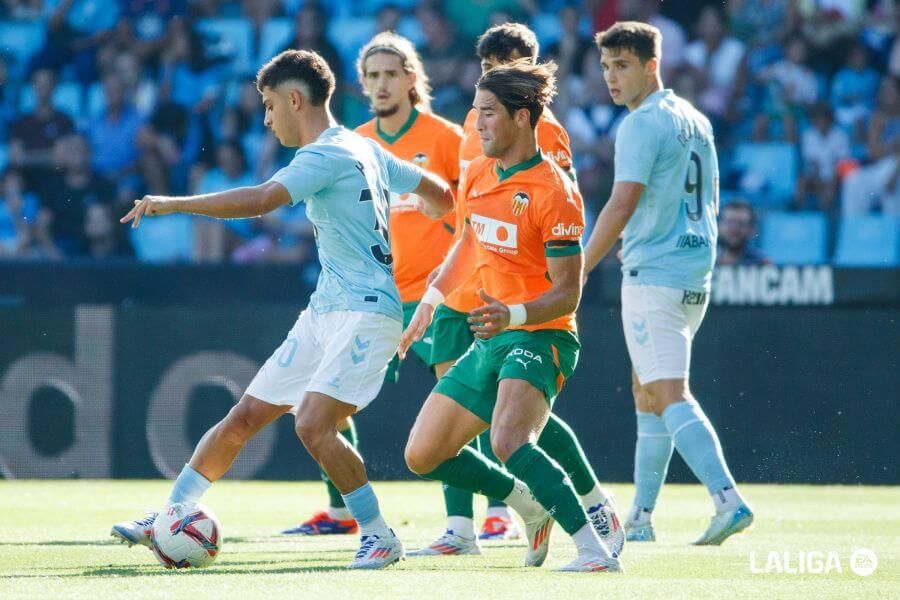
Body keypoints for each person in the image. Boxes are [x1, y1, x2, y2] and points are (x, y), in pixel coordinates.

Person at [109, 49, 454, 570]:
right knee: (245, 415)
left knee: (313, 425)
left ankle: (380, 535)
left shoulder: (323, 155)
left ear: (295, 99)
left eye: (269, 107)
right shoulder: (362, 146)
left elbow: (259, 201)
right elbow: (441, 193)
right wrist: (427, 209)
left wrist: (174, 203)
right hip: (328, 309)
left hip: (366, 313)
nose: (267, 120)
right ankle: (171, 513)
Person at [400, 60, 622, 573]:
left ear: (523, 118)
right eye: (475, 113)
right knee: (421, 455)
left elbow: (568, 292)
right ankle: (529, 504)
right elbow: (467, 242)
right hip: (492, 336)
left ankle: (595, 550)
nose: (476, 125)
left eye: (488, 114)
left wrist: (514, 314)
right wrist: (430, 302)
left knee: (507, 441)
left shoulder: (556, 193)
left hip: (542, 335)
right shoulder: (478, 171)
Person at [283, 32, 463, 537]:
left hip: (435, 296)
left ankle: (477, 521)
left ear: (411, 78)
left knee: (458, 402)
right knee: (319, 402)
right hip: (370, 297)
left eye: (391, 74)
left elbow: (471, 214)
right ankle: (343, 513)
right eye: (372, 76)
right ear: (361, 84)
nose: (382, 84)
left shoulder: (446, 138)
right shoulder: (352, 142)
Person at [584, 22, 753, 546]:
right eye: (607, 66)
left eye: (623, 65)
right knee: (646, 391)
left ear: (651, 64)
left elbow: (622, 200)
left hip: (653, 275)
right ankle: (640, 517)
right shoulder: (694, 119)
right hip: (693, 272)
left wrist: (580, 268)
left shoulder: (639, 124)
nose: (612, 77)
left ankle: (728, 499)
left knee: (666, 390)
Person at [716, 201, 768, 266]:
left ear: (752, 230)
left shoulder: (761, 263)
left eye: (741, 223)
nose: (734, 229)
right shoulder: (705, 258)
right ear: (718, 226)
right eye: (729, 222)